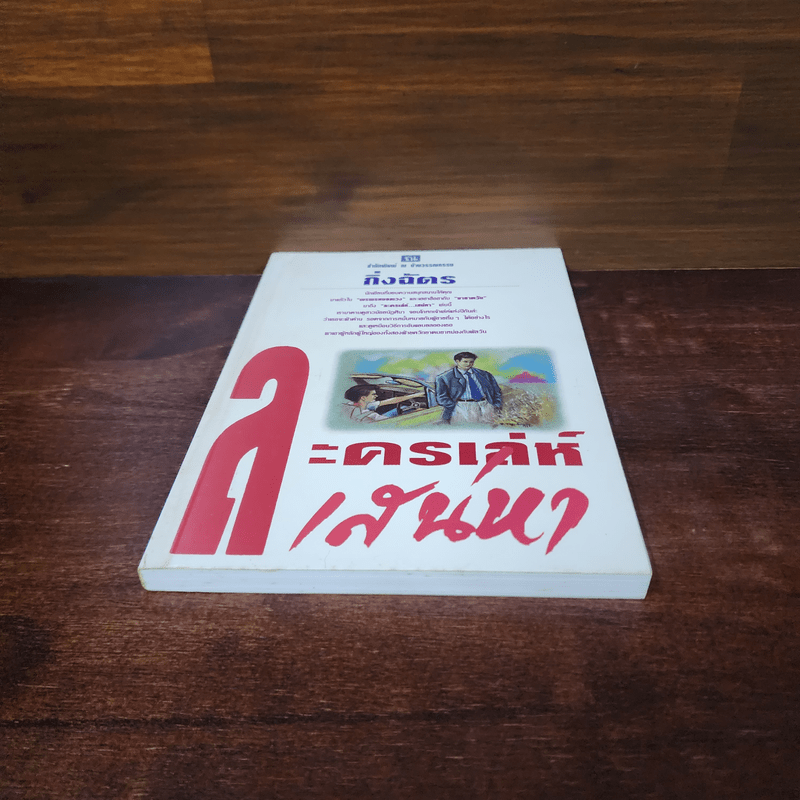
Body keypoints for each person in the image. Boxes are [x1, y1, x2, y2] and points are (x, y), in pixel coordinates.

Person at [435, 352, 502, 424]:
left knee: (488, 428)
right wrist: (453, 406)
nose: (468, 364)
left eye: (471, 362)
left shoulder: (485, 374)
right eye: (465, 361)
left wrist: (496, 405)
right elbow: (441, 397)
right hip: (462, 407)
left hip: (485, 405)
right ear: (457, 361)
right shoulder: (444, 377)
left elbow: (496, 391)